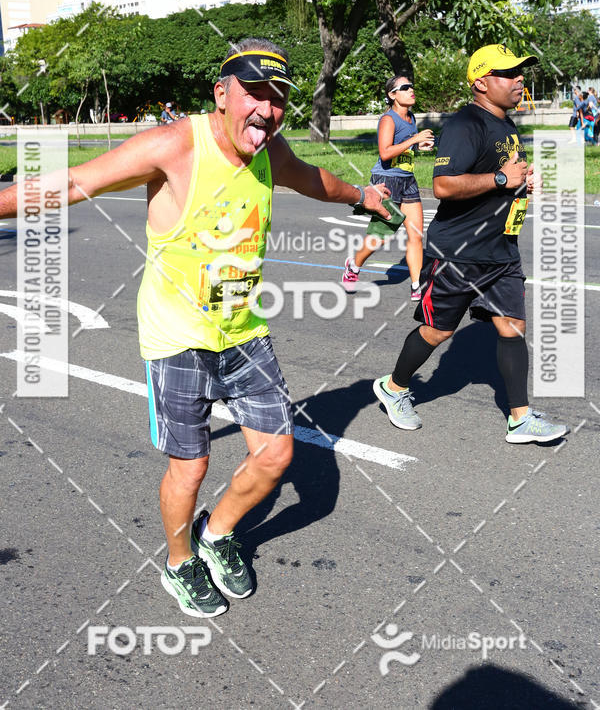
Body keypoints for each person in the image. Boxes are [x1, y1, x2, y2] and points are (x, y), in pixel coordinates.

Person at [0, 37, 389, 617]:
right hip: (176, 336)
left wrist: (363, 195)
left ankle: (217, 533)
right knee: (192, 464)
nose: (266, 109)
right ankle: (179, 562)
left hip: (243, 331)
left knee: (277, 457)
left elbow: (312, 179)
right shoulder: (172, 146)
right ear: (222, 93)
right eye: (253, 93)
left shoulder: (269, 152)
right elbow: (72, 184)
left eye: (278, 97)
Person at [372, 43, 570, 444]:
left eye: (520, 73)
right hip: (457, 253)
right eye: (508, 73)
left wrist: (524, 180)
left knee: (512, 327)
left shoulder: (506, 126)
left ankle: (520, 418)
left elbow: (505, 173)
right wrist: (502, 180)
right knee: (438, 332)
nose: (519, 80)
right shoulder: (465, 124)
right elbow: (443, 185)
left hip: (500, 251)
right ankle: (393, 387)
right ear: (481, 82)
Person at [341, 75, 434, 301]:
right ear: (393, 95)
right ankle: (354, 265)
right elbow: (385, 152)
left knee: (416, 234)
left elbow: (404, 148)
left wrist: (420, 145)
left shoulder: (410, 118)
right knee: (382, 235)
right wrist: (413, 141)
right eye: (405, 87)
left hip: (408, 179)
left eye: (412, 85)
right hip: (387, 180)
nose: (411, 89)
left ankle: (416, 286)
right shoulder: (388, 119)